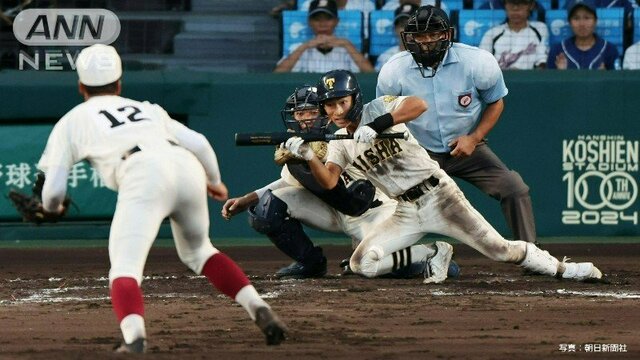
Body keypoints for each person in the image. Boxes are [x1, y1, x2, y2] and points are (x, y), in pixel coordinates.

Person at [36, 44, 287, 353]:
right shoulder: (146, 108)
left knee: (125, 268)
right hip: (185, 164)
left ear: (80, 86)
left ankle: (134, 339)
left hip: (141, 172)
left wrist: (50, 209)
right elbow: (200, 142)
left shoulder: (73, 120)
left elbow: (54, 191)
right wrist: (214, 181)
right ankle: (257, 306)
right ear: (119, 84)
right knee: (199, 252)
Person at [284, 69, 603, 284]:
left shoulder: (379, 107)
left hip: (440, 197)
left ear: (355, 98)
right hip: (404, 211)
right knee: (361, 264)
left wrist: (377, 124)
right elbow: (327, 182)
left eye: (342, 102)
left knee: (501, 251)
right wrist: (309, 155)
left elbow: (418, 104)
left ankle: (565, 269)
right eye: (329, 106)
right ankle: (434, 252)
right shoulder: (339, 143)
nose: (336, 111)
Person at [222, 85, 453, 279]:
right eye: (299, 113)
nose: (303, 119)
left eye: (311, 111)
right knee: (267, 208)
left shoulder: (350, 136)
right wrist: (246, 199)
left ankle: (428, 254)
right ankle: (310, 263)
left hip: (373, 212)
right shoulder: (301, 150)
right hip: (335, 213)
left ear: (326, 112)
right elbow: (286, 183)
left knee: (372, 265)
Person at [377, 5, 538, 244]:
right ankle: (381, 255)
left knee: (514, 188)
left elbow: (496, 102)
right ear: (410, 38)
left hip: (466, 148)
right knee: (383, 199)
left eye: (433, 34)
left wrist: (474, 138)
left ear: (447, 35)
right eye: (420, 36)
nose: (426, 42)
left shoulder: (477, 62)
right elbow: (387, 118)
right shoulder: (393, 70)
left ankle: (531, 252)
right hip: (418, 152)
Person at [274, 0, 374, 73]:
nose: (322, 24)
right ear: (310, 22)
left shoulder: (347, 49)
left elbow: (371, 74)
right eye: (317, 19)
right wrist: (304, 46)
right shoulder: (298, 48)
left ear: (336, 22)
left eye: (328, 19)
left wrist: (346, 44)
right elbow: (278, 74)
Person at [547, 0, 620, 70]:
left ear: (595, 21)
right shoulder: (557, 51)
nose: (582, 24)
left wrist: (606, 77)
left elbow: (618, 81)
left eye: (587, 18)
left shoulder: (609, 50)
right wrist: (560, 74)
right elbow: (547, 81)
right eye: (576, 18)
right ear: (569, 22)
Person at [479, 0, 549, 69]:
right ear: (505, 5)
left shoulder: (540, 29)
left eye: (521, 3)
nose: (515, 8)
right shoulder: (492, 34)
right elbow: (482, 66)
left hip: (530, 78)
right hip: (500, 79)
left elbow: (542, 63)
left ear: (531, 6)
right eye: (511, 3)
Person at [375, 2, 420, 71]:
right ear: (395, 29)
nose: (407, 30)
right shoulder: (385, 57)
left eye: (412, 25)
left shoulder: (430, 56)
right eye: (402, 25)